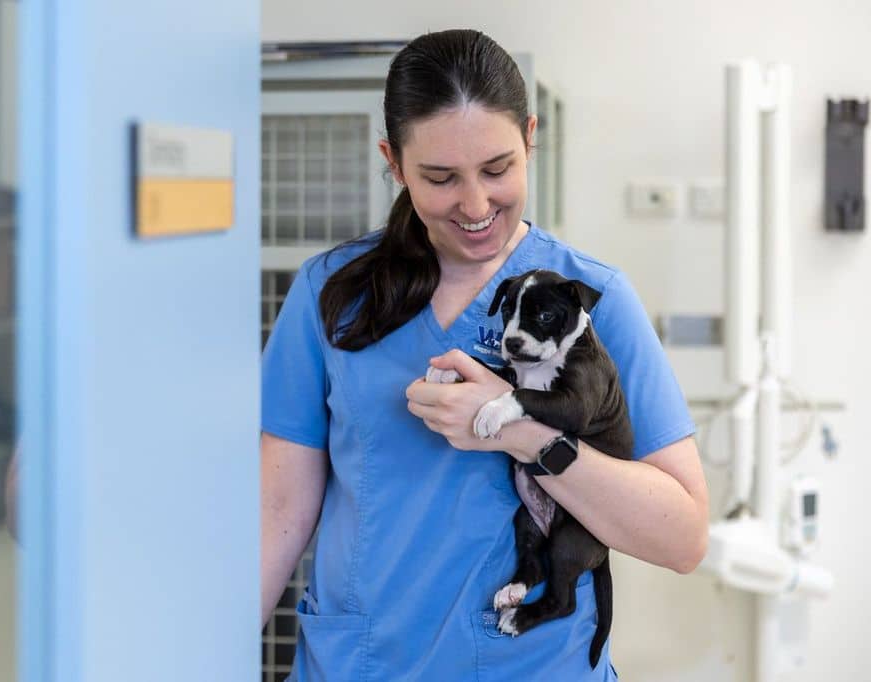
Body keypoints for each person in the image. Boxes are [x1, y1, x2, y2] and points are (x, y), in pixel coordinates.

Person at [261, 29, 709, 681]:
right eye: (440, 178)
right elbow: (279, 511)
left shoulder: (593, 299)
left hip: (530, 664)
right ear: (393, 161)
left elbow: (682, 538)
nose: (475, 206)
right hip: (361, 662)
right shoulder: (330, 294)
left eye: (497, 170)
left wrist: (520, 430)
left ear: (531, 138)